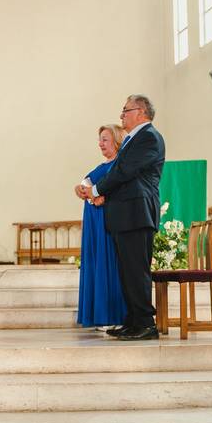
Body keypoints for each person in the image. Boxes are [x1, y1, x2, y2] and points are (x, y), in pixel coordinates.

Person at [77, 95, 165, 341]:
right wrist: (101, 193)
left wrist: (96, 191)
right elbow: (118, 170)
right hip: (126, 214)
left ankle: (146, 324)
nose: (122, 115)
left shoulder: (148, 137)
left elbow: (125, 171)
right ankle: (133, 321)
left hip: (137, 213)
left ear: (141, 112)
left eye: (125, 110)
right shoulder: (133, 140)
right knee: (127, 271)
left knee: (137, 271)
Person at [76, 125, 128, 330]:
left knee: (107, 263)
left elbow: (117, 189)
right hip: (93, 219)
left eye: (105, 139)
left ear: (116, 141)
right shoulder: (103, 165)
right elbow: (86, 182)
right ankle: (97, 313)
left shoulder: (119, 165)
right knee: (96, 262)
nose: (100, 143)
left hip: (106, 219)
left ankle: (111, 315)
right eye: (100, 140)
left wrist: (101, 196)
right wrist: (79, 189)